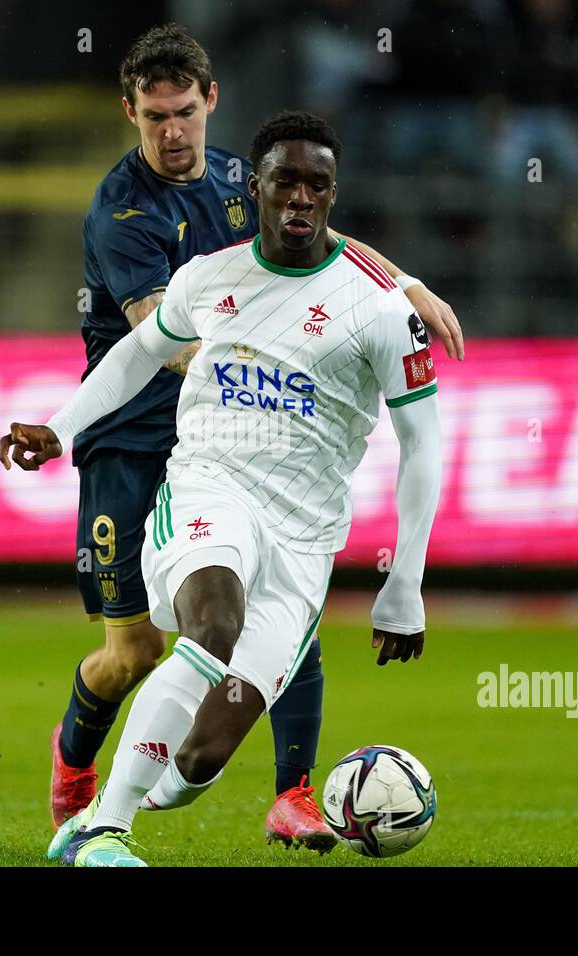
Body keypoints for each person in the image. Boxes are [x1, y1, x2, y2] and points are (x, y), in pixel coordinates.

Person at [49, 23, 463, 849]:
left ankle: (281, 790)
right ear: (130, 112)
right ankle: (87, 800)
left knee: (207, 744)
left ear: (211, 102)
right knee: (140, 648)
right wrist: (66, 426)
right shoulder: (124, 214)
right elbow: (149, 345)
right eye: (154, 117)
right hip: (144, 443)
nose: (173, 133)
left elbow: (316, 231)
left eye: (185, 115)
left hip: (295, 506)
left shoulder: (254, 178)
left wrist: (403, 280)